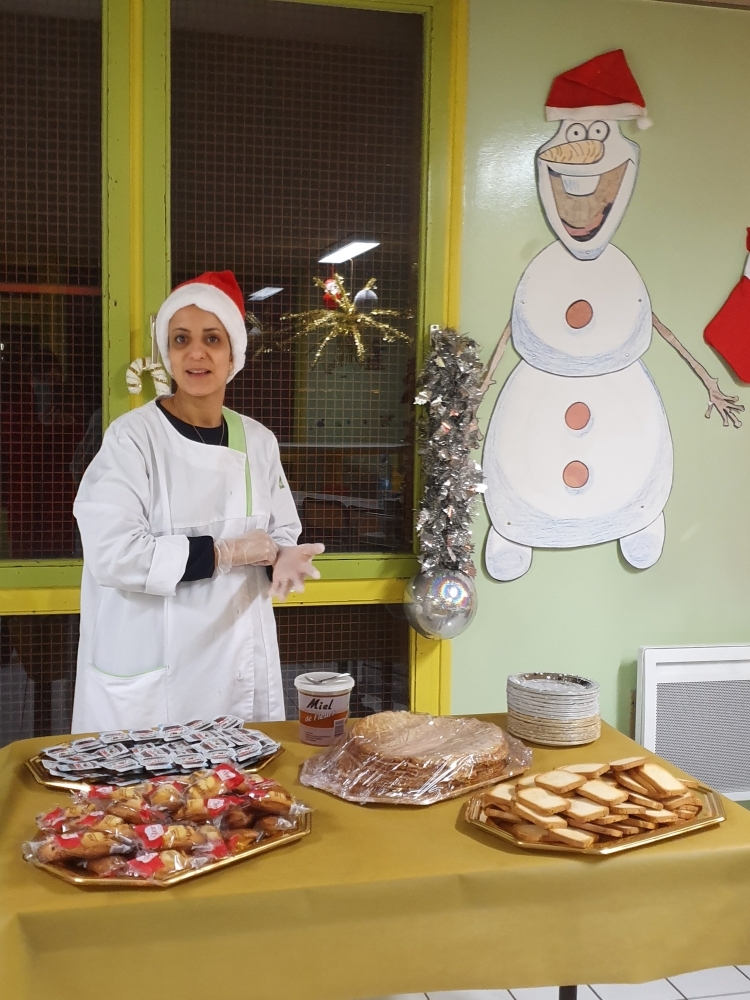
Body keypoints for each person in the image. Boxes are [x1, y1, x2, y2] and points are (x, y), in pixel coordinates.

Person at [71, 270, 323, 732]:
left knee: (240, 773)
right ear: (168, 354)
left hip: (235, 665)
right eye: (181, 339)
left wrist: (283, 556)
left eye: (212, 338)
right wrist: (224, 552)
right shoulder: (133, 438)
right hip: (154, 666)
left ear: (233, 354)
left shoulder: (258, 441)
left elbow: (280, 531)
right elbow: (114, 553)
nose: (196, 353)